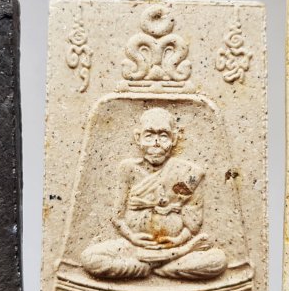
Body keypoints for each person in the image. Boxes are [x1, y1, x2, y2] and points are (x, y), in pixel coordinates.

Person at [81, 107, 227, 280]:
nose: (156, 142)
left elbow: (193, 224)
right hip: (133, 249)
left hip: (175, 249)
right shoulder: (128, 169)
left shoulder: (190, 173)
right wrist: (133, 237)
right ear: (138, 138)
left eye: (163, 136)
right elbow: (117, 217)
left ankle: (151, 267)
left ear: (174, 138)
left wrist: (179, 242)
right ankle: (159, 267)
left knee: (218, 261)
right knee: (90, 258)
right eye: (149, 136)